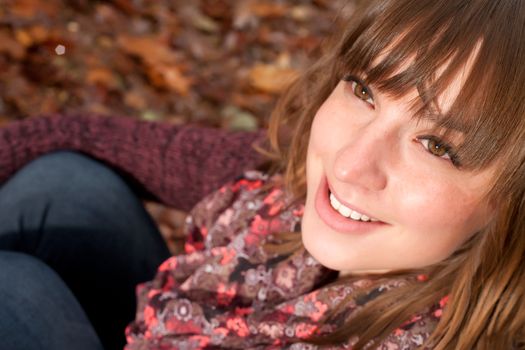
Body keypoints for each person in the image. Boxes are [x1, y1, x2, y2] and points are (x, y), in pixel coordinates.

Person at [0, 0, 524, 348]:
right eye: (364, 91)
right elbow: (90, 137)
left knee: (16, 291)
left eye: (436, 146)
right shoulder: (281, 187)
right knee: (65, 187)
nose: (349, 164)